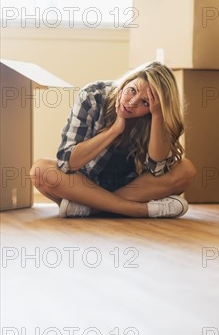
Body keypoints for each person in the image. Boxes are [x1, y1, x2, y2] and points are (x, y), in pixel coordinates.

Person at [30, 62, 196, 218]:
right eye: (132, 90)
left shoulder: (157, 116)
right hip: (86, 184)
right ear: (126, 82)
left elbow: (157, 170)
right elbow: (68, 163)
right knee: (41, 171)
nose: (132, 103)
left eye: (144, 102)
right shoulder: (93, 96)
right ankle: (139, 210)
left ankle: (91, 209)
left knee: (186, 170)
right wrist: (115, 130)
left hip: (131, 188)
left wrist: (158, 115)